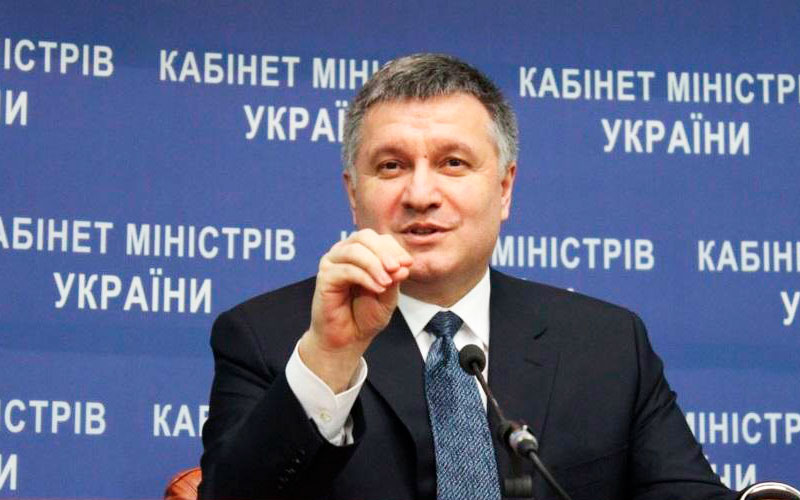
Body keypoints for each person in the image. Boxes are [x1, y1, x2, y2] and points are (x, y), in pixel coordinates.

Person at [198, 53, 738, 500]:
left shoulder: (607, 344)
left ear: (504, 189)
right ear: (353, 194)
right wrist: (330, 357)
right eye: (391, 166)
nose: (420, 194)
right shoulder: (267, 337)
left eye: (453, 163)